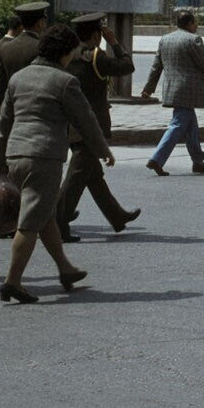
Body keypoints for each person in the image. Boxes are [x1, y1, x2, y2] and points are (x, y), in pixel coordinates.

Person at [0, 22, 113, 302]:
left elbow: (4, 123)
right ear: (65, 53)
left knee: (44, 214)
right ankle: (12, 281)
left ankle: (65, 268)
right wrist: (103, 149)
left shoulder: (19, 78)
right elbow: (86, 120)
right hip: (44, 157)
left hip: (15, 154)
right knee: (29, 223)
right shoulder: (64, 81)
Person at [57, 12, 141, 242]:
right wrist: (114, 42)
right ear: (96, 35)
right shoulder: (95, 56)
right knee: (77, 176)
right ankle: (57, 221)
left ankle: (117, 216)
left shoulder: (68, 55)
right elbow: (127, 66)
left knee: (93, 175)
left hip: (71, 123)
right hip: (90, 125)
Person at [141, 9, 204, 175]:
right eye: (195, 23)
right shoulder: (193, 39)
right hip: (188, 90)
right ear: (190, 23)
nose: (196, 26)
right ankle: (157, 159)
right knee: (177, 125)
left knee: (191, 125)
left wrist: (148, 88)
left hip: (172, 89)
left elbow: (156, 66)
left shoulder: (165, 39)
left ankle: (198, 161)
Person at [0, 2, 49, 136]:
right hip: (30, 119)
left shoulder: (0, 48)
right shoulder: (41, 48)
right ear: (39, 23)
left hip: (0, 115)